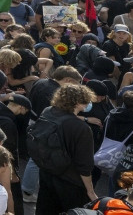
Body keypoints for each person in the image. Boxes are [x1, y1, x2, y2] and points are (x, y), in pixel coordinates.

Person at [32, 83, 97, 215]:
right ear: (78, 102)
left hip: (47, 173)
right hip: (71, 181)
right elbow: (84, 165)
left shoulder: (48, 111)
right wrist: (90, 191)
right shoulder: (81, 128)